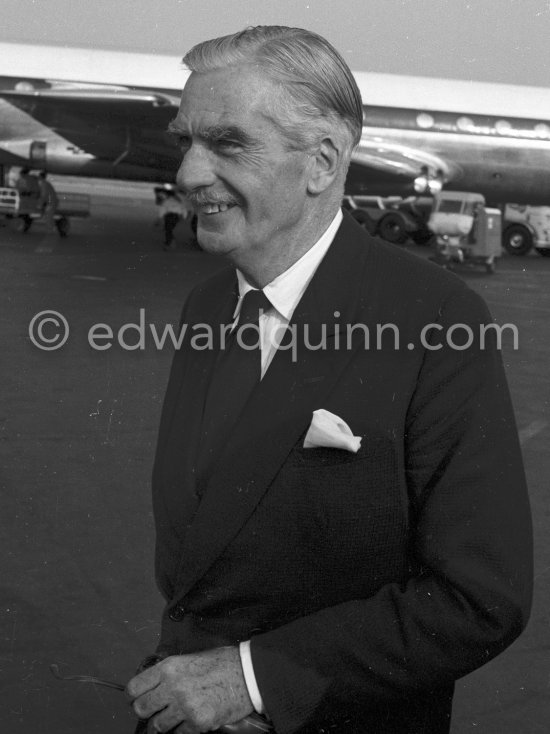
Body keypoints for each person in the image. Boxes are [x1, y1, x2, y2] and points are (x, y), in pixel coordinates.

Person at [126, 26, 533, 734]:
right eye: (185, 140)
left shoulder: (436, 316)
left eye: (226, 144)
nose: (188, 174)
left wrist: (254, 681)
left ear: (321, 162)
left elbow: (479, 598)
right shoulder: (207, 304)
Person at [155, 184, 192, 250]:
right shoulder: (178, 201)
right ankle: (169, 241)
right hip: (176, 217)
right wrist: (184, 216)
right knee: (169, 229)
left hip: (170, 216)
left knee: (168, 229)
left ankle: (170, 242)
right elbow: (183, 208)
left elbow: (163, 209)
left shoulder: (167, 201)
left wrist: (159, 218)